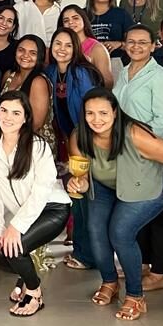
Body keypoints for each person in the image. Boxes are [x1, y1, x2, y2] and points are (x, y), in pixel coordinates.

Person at [68, 88, 163, 321]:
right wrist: (79, 183)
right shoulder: (78, 136)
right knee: (96, 230)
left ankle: (135, 295)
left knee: (120, 232)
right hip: (105, 186)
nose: (96, 119)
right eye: (90, 113)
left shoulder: (134, 134)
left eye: (103, 113)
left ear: (115, 112)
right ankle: (110, 282)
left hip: (145, 187)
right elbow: (81, 175)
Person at [0, 91, 71, 316]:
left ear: (25, 118)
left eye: (16, 113)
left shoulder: (37, 146)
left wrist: (16, 227)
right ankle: (24, 279)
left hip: (52, 208)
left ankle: (34, 292)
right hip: (22, 213)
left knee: (14, 250)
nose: (8, 117)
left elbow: (41, 192)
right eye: (4, 110)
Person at [113, 24, 163, 292]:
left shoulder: (159, 77)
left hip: (150, 151)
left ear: (153, 45)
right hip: (127, 152)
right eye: (131, 41)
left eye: (143, 42)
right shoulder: (124, 72)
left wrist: (144, 147)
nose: (136, 46)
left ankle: (159, 272)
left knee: (155, 211)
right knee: (136, 205)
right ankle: (141, 263)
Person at [46, 28, 104, 271]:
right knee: (77, 198)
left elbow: (92, 112)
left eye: (68, 45)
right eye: (57, 44)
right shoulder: (51, 72)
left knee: (87, 200)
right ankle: (82, 251)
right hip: (67, 143)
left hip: (87, 142)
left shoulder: (81, 72)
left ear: (76, 49)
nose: (62, 49)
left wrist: (81, 142)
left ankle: (89, 255)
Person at [0, 35, 55, 152]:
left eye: (32, 53)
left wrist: (13, 144)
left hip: (32, 145)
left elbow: (36, 124)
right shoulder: (9, 75)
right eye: (21, 50)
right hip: (7, 137)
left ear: (40, 57)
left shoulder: (38, 82)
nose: (25, 55)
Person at [60, 5, 113, 87]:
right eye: (66, 20)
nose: (70, 22)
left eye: (75, 18)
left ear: (84, 20)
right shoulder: (60, 47)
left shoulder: (97, 48)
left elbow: (108, 83)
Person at [85, 0, 133, 64]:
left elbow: (135, 42)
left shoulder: (121, 14)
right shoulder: (81, 15)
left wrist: (119, 44)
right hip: (86, 61)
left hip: (115, 61)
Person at [0, 6, 19, 76]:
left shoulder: (17, 48)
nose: (4, 23)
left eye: (9, 21)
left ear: (13, 27)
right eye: (1, 18)